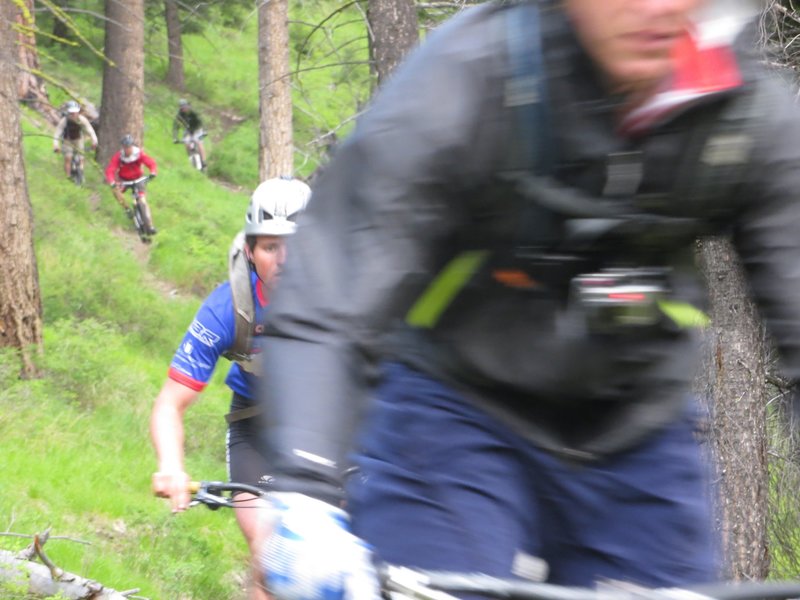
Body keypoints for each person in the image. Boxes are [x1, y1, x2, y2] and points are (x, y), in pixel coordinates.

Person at [255, 0, 800, 598]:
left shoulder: (743, 112)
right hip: (453, 407)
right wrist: (305, 491)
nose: (658, 6)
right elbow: (334, 283)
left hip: (636, 423)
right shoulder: (472, 73)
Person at [150, 177, 311, 600]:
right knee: (270, 558)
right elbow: (170, 403)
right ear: (250, 252)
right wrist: (171, 465)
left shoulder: (343, 294)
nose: (283, 259)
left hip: (325, 429)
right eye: (270, 247)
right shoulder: (229, 308)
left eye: (293, 245)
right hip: (255, 430)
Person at [104, 135, 158, 235]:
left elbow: (150, 162)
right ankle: (127, 209)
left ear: (132, 146)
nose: (127, 149)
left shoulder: (138, 153)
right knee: (115, 191)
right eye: (125, 147)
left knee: (143, 200)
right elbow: (110, 169)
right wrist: (112, 181)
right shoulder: (118, 156)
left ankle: (150, 226)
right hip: (124, 180)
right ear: (122, 147)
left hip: (138, 179)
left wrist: (153, 172)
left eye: (129, 146)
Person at [53, 100, 97, 178]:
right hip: (67, 140)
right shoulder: (64, 121)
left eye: (75, 113)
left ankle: (81, 171)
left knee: (81, 157)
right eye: (71, 113)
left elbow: (90, 130)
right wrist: (56, 145)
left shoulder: (82, 120)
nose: (74, 115)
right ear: (68, 113)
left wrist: (94, 141)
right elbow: (57, 133)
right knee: (68, 158)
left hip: (78, 139)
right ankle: (68, 176)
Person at [172, 98, 207, 169]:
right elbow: (175, 127)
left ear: (187, 106)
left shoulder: (193, 112)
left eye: (185, 107)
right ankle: (191, 158)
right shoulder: (179, 115)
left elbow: (201, 121)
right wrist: (175, 137)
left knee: (199, 142)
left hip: (197, 129)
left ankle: (203, 161)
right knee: (186, 144)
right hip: (188, 130)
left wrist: (204, 131)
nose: (184, 109)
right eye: (182, 108)